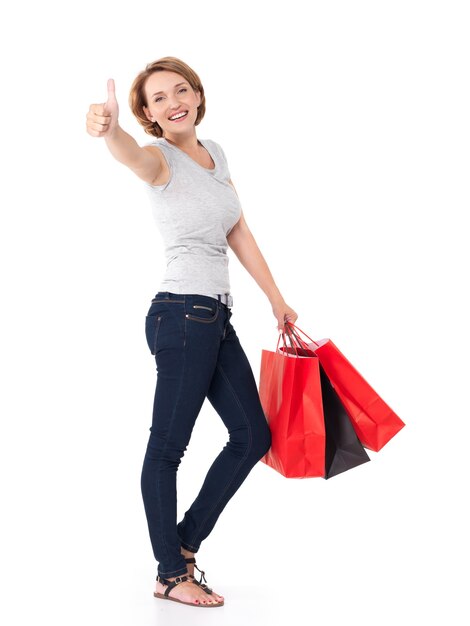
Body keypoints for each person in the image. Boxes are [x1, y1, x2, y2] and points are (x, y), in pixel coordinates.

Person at [86, 56, 298, 609]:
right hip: (180, 316)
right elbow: (128, 156)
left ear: (198, 96)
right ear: (148, 115)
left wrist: (276, 299)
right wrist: (109, 132)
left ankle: (180, 547)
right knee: (167, 449)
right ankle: (168, 571)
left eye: (181, 90)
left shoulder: (215, 154)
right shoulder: (158, 159)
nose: (173, 101)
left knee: (253, 437)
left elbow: (238, 227)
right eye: (158, 99)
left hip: (216, 316)